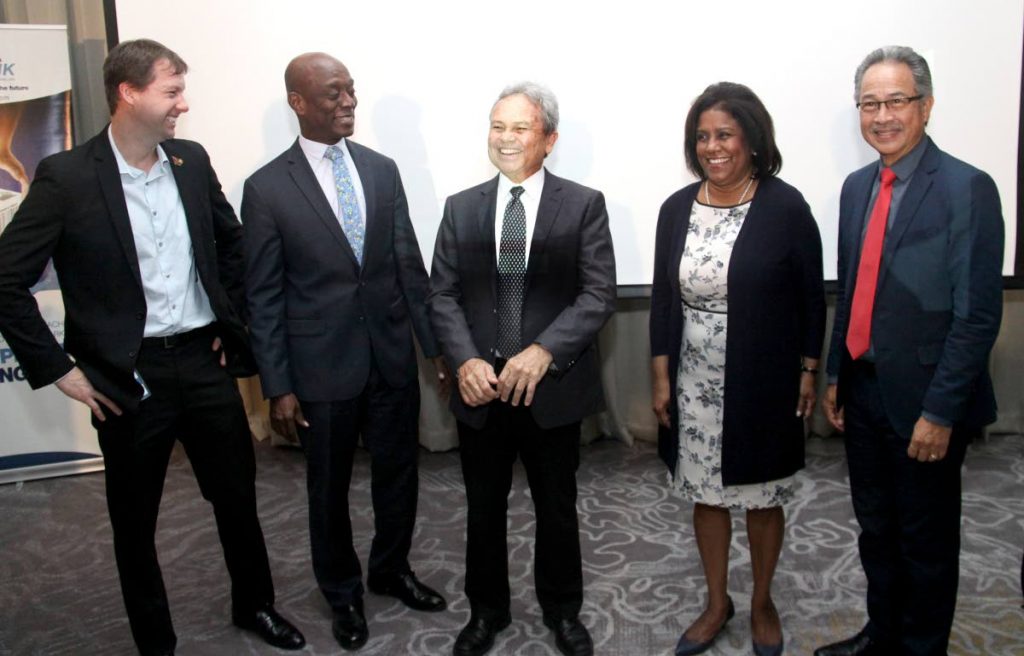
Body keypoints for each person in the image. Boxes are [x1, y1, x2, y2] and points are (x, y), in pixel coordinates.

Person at [0, 39, 304, 655]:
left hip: (202, 360)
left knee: (238, 499)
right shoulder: (66, 178)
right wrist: (61, 370)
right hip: (126, 378)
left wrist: (231, 329)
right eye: (171, 92)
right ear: (128, 93)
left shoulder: (190, 162)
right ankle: (155, 641)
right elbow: (6, 280)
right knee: (134, 522)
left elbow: (235, 250)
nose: (183, 106)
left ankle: (256, 606)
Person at [242, 52, 448, 652]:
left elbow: (409, 263)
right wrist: (276, 385)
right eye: (333, 94)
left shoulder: (382, 171)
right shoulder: (266, 188)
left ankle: (392, 569)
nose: (348, 103)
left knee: (399, 474)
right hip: (319, 370)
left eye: (351, 91)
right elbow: (263, 296)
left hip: (389, 357)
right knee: (327, 491)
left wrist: (433, 347)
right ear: (299, 103)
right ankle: (343, 593)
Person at [816, 46, 1003, 656]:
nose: (882, 115)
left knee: (926, 541)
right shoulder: (856, 187)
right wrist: (839, 373)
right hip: (865, 391)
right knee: (876, 530)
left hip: (927, 401)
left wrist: (942, 411)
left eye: (896, 100)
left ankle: (922, 649)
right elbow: (853, 288)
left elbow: (976, 316)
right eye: (869, 103)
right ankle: (883, 635)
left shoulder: (966, 188)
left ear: (925, 105)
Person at [427, 82, 615, 656]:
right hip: (481, 391)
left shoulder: (582, 204)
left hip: (549, 389)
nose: (505, 139)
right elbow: (442, 296)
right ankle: (487, 613)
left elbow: (598, 293)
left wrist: (545, 351)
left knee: (556, 508)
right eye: (497, 126)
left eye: (521, 128)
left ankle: (562, 612)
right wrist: (463, 361)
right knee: (482, 510)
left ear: (549, 139)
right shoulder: (461, 207)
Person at [649, 82, 826, 656]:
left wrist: (807, 368)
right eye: (702, 136)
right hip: (693, 375)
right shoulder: (676, 209)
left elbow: (810, 297)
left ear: (751, 139)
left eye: (724, 134)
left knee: (761, 494)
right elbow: (660, 299)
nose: (712, 146)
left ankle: (762, 601)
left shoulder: (785, 205)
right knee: (705, 493)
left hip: (763, 375)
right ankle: (717, 601)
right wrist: (659, 376)